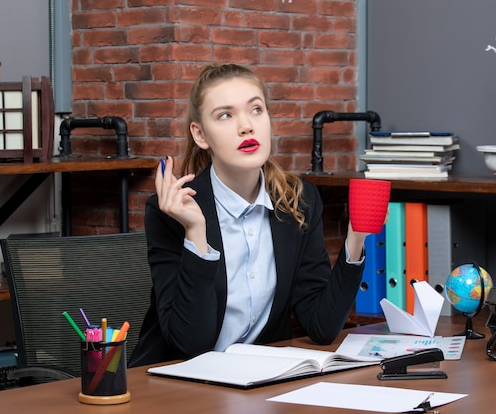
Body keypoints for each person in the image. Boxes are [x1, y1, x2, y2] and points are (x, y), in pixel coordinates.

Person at [129, 63, 369, 367]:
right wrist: (195, 234)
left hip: (256, 381)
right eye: (225, 115)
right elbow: (190, 344)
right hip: (174, 385)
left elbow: (320, 327)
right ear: (200, 134)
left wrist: (355, 238)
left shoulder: (299, 200)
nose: (246, 126)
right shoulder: (171, 212)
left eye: (256, 110)